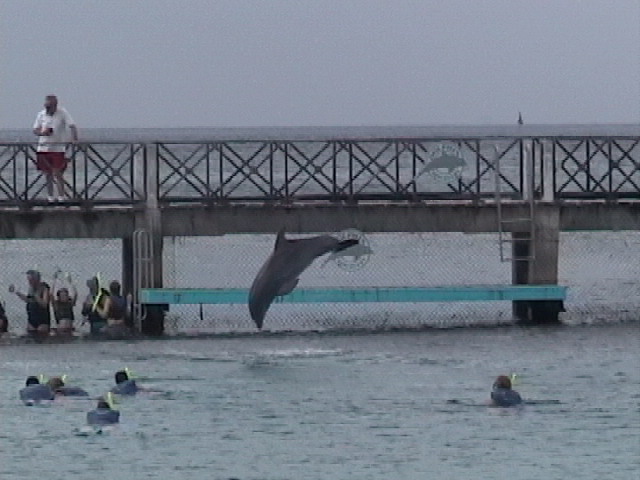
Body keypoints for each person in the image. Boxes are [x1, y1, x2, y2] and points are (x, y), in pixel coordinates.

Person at [32, 94, 78, 202]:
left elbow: (72, 126)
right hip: (43, 147)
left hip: (58, 148)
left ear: (55, 105)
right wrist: (42, 133)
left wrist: (74, 138)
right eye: (47, 106)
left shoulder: (62, 113)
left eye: (51, 106)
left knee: (58, 172)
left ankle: (61, 196)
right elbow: (35, 129)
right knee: (47, 173)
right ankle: (50, 196)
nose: (49, 108)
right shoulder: (41, 114)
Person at [9, 270, 51, 336]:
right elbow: (28, 300)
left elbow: (45, 304)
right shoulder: (31, 288)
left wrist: (37, 296)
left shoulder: (44, 288)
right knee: (31, 335)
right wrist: (16, 292)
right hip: (32, 318)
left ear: (37, 279)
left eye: (31, 280)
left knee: (41, 334)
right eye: (28, 280)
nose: (29, 282)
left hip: (42, 318)